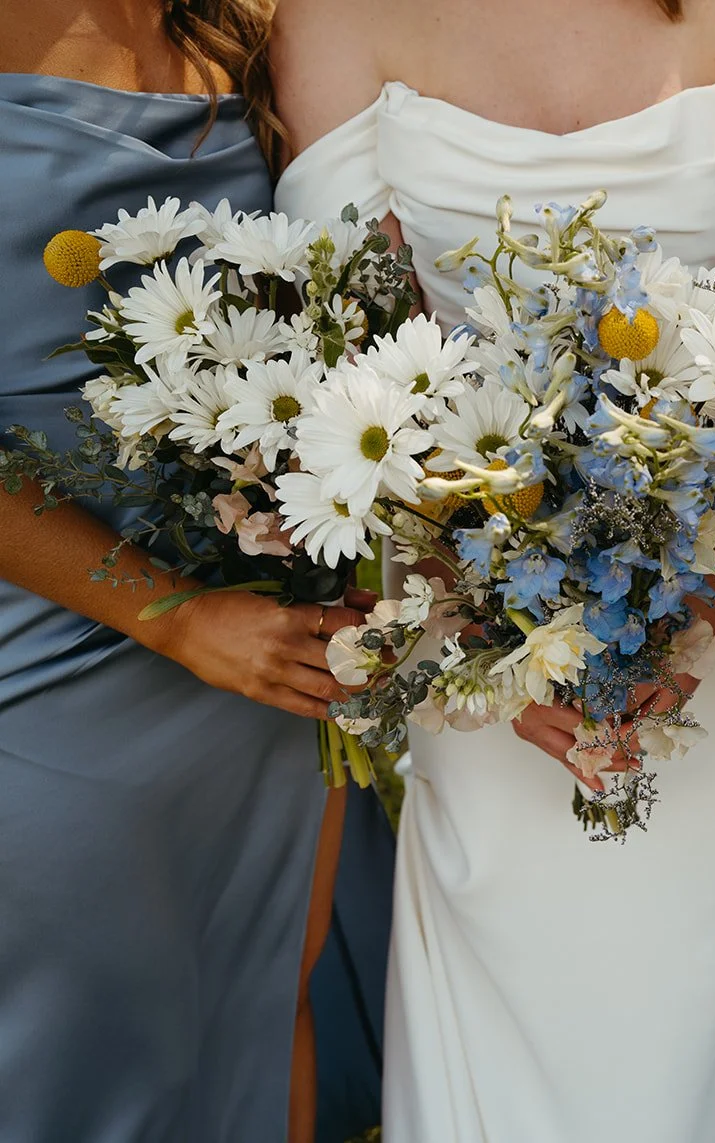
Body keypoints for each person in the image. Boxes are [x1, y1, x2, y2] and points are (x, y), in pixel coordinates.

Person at [269, 0, 715, 1139]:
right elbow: (365, 366)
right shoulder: (335, 16)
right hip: (468, 602)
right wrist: (504, 639)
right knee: (513, 947)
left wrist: (689, 625)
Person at [0, 2, 368, 1140]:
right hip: (52, 645)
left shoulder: (254, 33)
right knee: (77, 1048)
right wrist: (172, 616)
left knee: (263, 1017)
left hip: (265, 644)